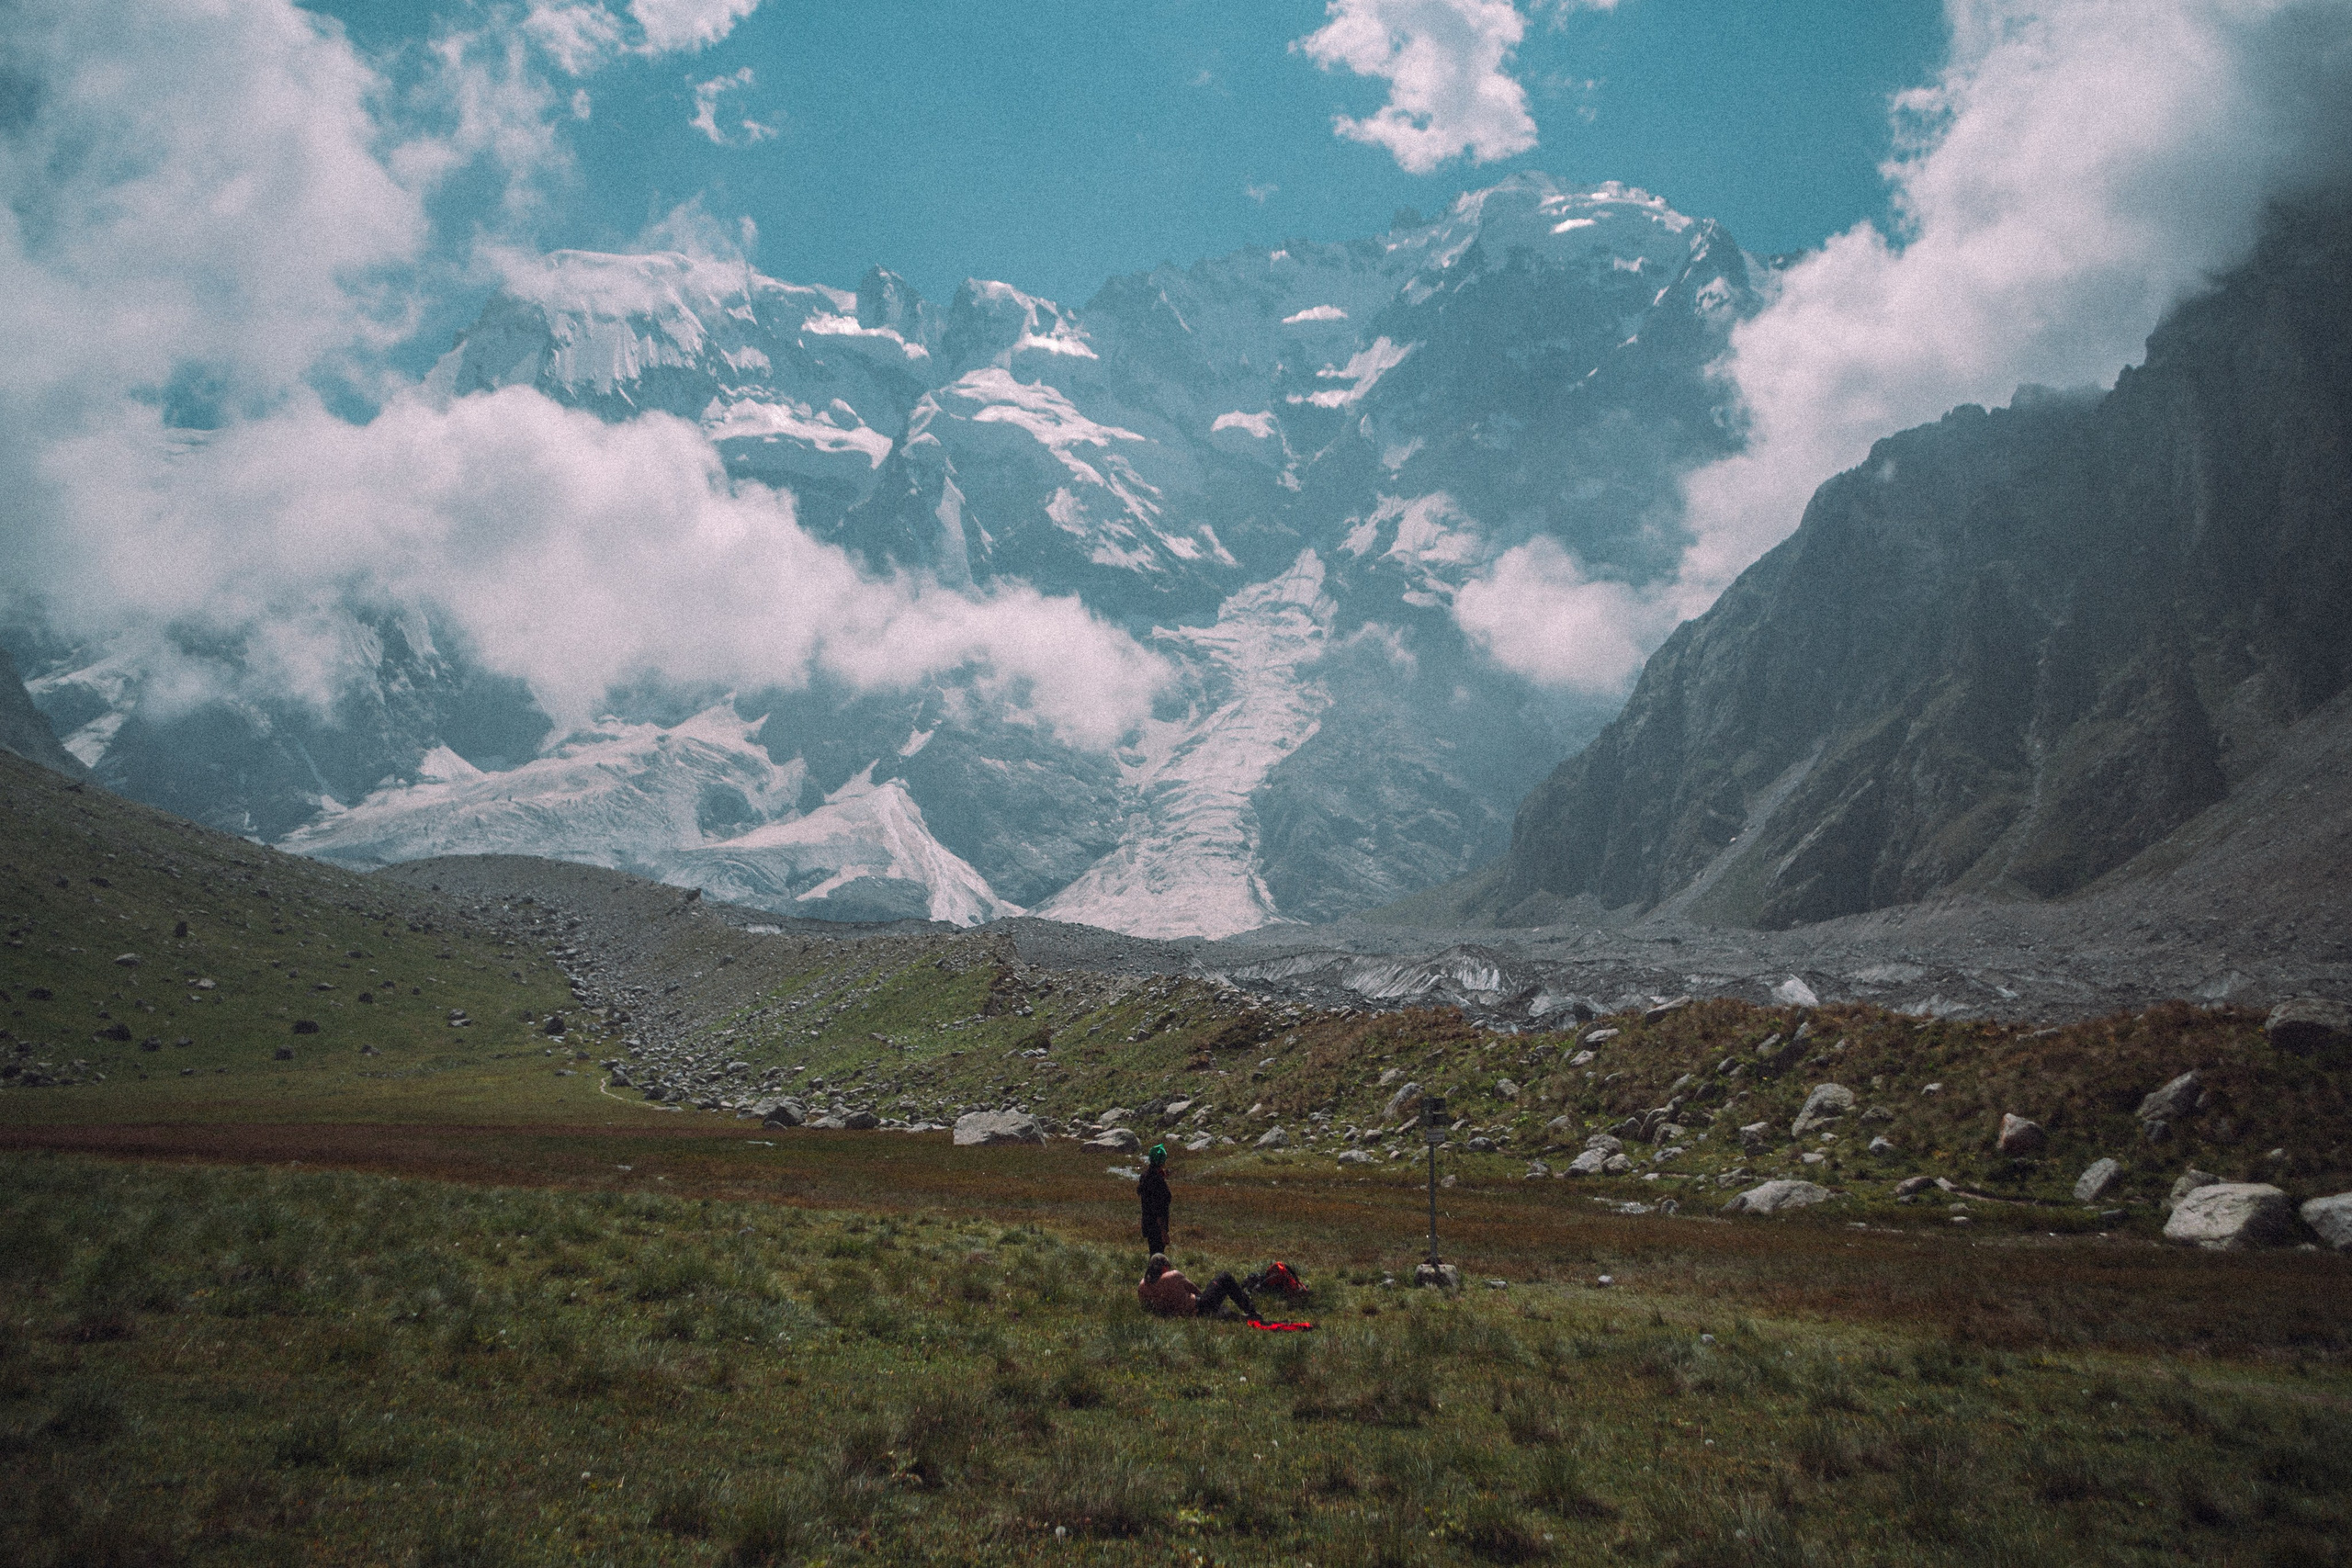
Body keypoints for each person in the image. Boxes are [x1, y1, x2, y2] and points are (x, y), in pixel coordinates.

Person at [1136, 1254, 1258, 1319]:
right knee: (1225, 1276)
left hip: (1176, 1315)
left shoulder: (1142, 1286)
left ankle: (1232, 1314)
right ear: (1164, 1268)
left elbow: (1147, 1307)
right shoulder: (1172, 1276)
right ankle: (1251, 1311)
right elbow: (1196, 1290)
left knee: (1222, 1310)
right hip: (1199, 1308)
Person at [1137, 1142, 1171, 1256]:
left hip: (1147, 1224)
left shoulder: (1145, 1176)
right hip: (1157, 1227)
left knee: (1153, 1254)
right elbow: (1158, 1208)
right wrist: (1163, 1232)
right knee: (1158, 1256)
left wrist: (1161, 1177)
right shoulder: (1158, 1182)